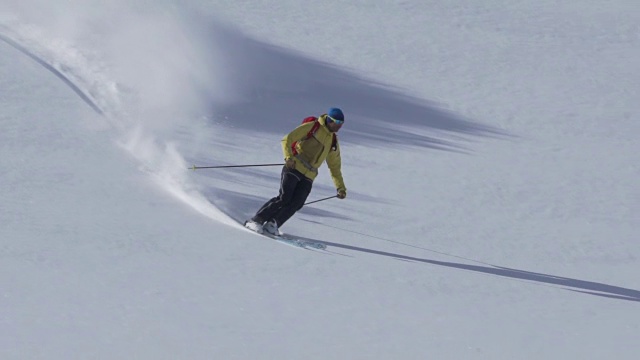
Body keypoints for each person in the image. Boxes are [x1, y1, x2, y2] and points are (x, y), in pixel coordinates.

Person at [245, 107, 347, 235]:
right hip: (294, 167)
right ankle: (256, 220)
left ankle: (273, 224)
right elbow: (288, 139)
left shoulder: (333, 141)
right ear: (329, 120)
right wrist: (288, 158)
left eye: (341, 124)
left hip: (309, 176)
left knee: (297, 203)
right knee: (284, 198)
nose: (339, 127)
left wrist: (340, 188)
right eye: (337, 123)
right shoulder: (313, 127)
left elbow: (335, 167)